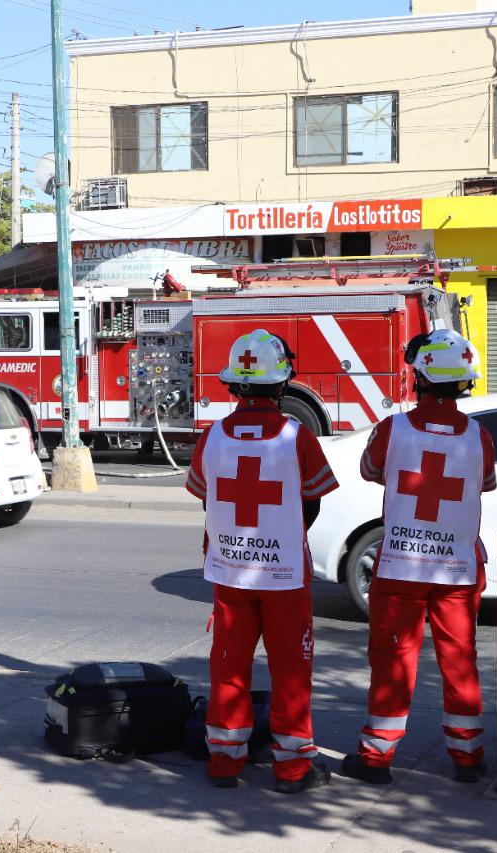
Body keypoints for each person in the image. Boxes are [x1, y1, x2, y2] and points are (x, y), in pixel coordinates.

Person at [340, 328, 497, 786]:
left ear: (420, 376)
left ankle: (376, 758)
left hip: (401, 565)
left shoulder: (394, 429)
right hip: (458, 569)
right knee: (460, 660)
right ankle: (468, 759)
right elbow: (483, 484)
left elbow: (371, 471)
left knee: (394, 661)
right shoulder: (480, 436)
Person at [186, 329, 338, 794]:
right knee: (291, 668)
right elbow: (312, 503)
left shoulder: (211, 437)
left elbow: (206, 499)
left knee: (228, 665)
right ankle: (292, 768)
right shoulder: (298, 436)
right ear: (282, 385)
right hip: (286, 575)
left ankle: (224, 762)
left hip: (230, 572)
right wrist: (281, 538)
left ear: (235, 384)